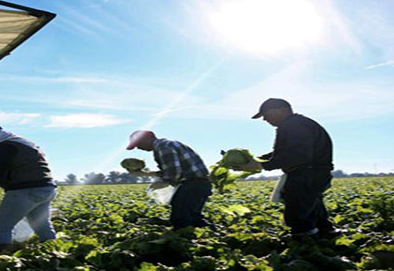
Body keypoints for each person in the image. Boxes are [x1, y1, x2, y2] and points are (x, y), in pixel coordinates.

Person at [235, 98, 338, 239]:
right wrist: (257, 160)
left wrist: (262, 165)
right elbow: (284, 153)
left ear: (283, 110)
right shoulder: (298, 124)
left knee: (298, 215)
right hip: (314, 174)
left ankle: (305, 247)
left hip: (306, 174)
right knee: (312, 208)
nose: (265, 119)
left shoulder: (293, 126)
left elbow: (299, 156)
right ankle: (326, 235)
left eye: (267, 114)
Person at [0, 124, 57, 253]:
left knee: (1, 226)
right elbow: (11, 170)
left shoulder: (4, 146)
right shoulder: (24, 143)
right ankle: (53, 251)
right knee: (42, 225)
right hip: (47, 188)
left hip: (25, 190)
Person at [126, 130, 212, 230]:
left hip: (192, 184)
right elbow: (172, 171)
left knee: (180, 220)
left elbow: (173, 174)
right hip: (200, 184)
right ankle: (210, 236)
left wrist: (158, 184)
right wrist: (145, 174)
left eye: (138, 143)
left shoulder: (163, 147)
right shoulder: (168, 144)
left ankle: (186, 242)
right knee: (193, 218)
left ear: (149, 137)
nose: (138, 147)